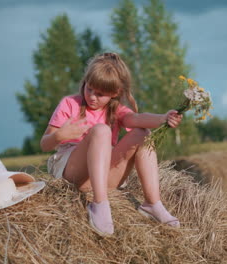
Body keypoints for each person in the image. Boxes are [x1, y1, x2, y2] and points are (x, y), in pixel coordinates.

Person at [40, 52, 182, 236]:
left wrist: (163, 118)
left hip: (104, 177)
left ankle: (152, 204)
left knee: (143, 134)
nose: (92, 97)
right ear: (85, 81)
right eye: (89, 89)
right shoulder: (70, 104)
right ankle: (99, 204)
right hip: (73, 174)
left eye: (100, 94)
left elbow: (137, 119)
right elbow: (44, 144)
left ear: (115, 94)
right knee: (102, 130)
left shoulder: (115, 111)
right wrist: (60, 134)